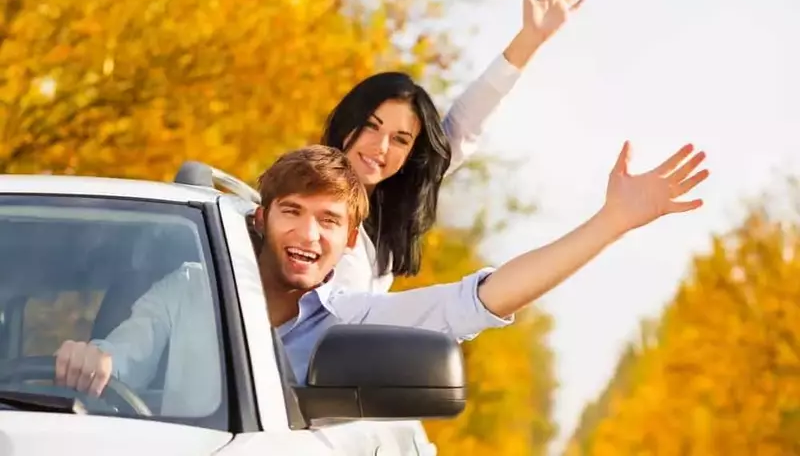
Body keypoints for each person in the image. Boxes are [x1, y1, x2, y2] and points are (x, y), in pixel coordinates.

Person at [55, 141, 708, 396]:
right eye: (293, 211)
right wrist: (96, 361)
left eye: (329, 221)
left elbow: (475, 300)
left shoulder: (351, 321)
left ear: (346, 242)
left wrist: (612, 222)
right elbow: (123, 354)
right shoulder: (189, 293)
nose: (308, 233)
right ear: (262, 218)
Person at [319, 0, 587, 293]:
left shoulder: (383, 222)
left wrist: (529, 40)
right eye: (372, 127)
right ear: (348, 123)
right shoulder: (306, 200)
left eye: (400, 139)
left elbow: (463, 126)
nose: (381, 147)